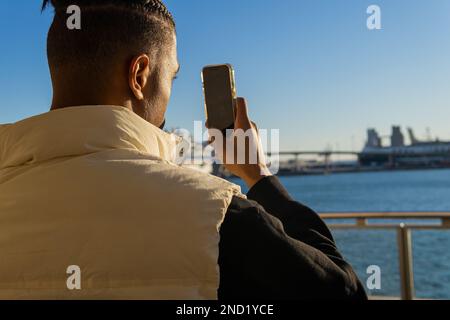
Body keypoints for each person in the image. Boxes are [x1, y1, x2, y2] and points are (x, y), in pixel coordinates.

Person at [0, 0, 367, 300]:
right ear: (140, 76)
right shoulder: (218, 217)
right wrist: (259, 176)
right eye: (170, 76)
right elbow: (344, 294)